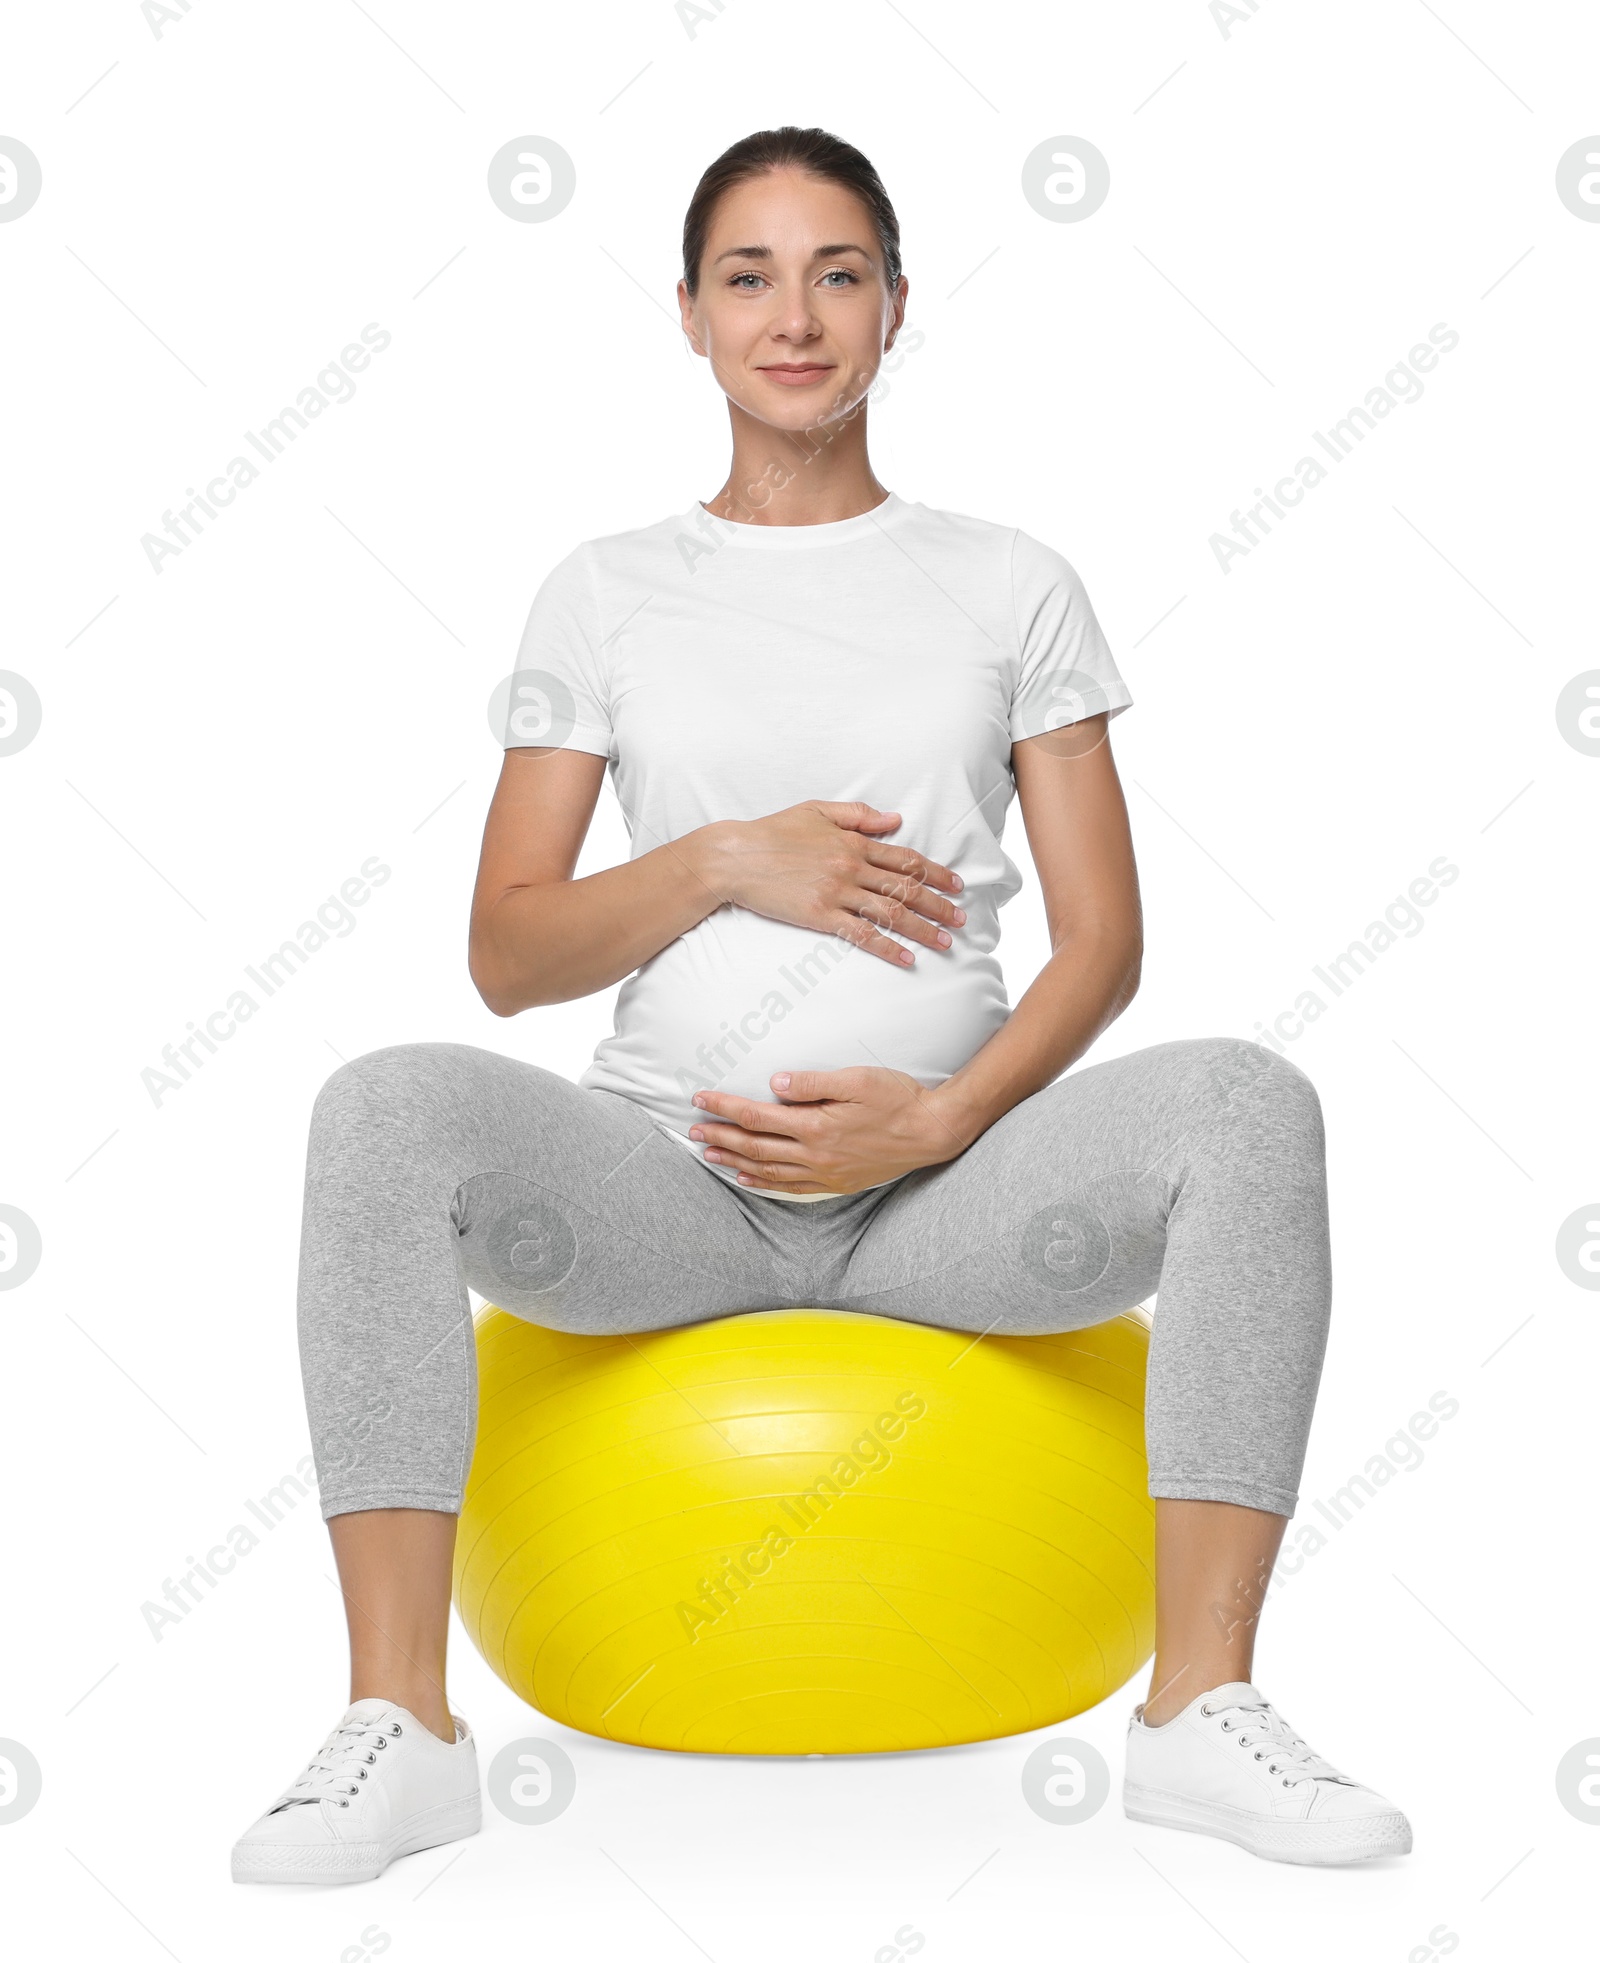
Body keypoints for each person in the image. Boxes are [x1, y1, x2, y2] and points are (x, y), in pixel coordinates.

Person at [232, 124, 1411, 1885]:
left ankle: (1199, 1713)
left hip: (951, 1204)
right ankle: (402, 1726)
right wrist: (722, 864)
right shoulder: (606, 589)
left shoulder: (1013, 580)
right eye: (750, 276)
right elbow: (508, 949)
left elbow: (1104, 939)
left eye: (838, 272)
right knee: (383, 1108)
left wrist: (946, 1119)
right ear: (693, 318)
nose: (796, 316)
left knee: (1248, 1101)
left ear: (897, 307)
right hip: (671, 1191)